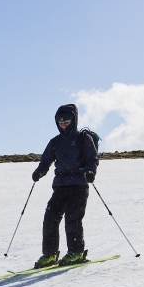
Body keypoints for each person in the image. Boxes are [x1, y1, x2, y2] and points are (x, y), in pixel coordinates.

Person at [31, 103, 99, 268]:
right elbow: (46, 160)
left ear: (73, 120)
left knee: (73, 219)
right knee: (50, 219)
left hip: (79, 185)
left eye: (66, 120)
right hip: (60, 186)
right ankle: (49, 255)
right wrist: (39, 171)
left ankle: (76, 253)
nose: (63, 123)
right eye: (60, 121)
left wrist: (91, 172)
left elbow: (92, 159)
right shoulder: (55, 142)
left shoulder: (84, 139)